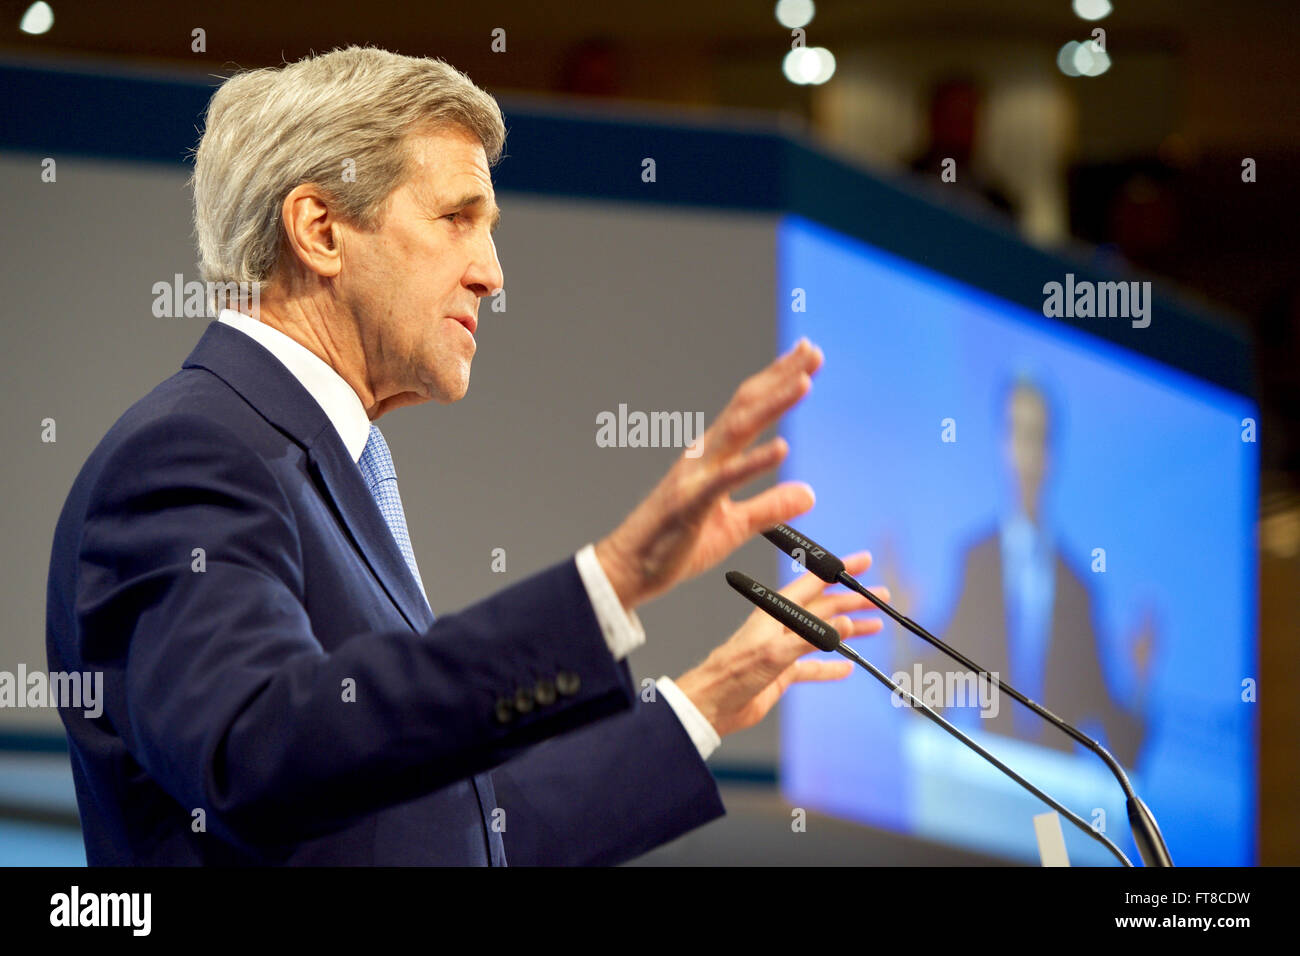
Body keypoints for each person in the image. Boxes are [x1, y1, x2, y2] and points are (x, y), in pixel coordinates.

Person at [45, 45, 885, 865]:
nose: (492, 273)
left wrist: (705, 700)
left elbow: (465, 834)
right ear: (320, 229)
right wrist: (609, 584)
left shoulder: (316, 467)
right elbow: (256, 755)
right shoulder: (193, 452)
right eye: (457, 219)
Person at [934, 378, 1148, 768]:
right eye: (1017, 434)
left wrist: (1139, 680)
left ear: (1052, 453)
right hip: (988, 787)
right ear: (1003, 446)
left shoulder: (1079, 590)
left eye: (1037, 438)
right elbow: (931, 697)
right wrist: (897, 629)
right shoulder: (977, 563)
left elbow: (1119, 742)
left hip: (1054, 811)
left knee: (1050, 833)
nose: (1027, 455)